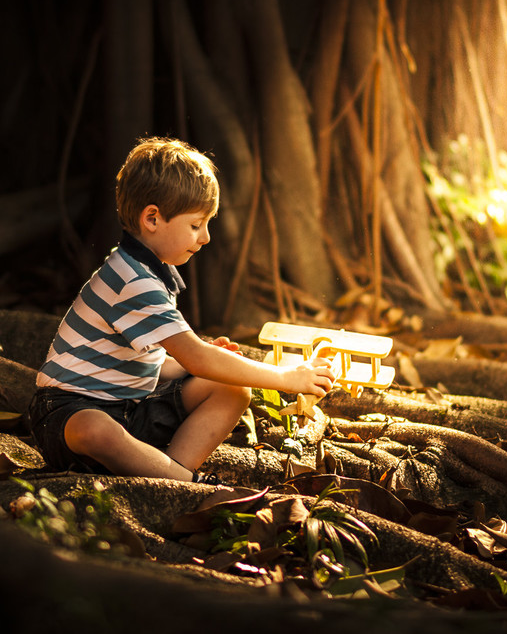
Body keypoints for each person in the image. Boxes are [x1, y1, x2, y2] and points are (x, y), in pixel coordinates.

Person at [28, 136, 336, 483]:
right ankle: (184, 481)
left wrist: (207, 365)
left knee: (231, 388)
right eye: (195, 225)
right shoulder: (131, 280)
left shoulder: (153, 273)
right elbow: (197, 358)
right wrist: (287, 378)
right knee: (96, 429)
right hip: (66, 413)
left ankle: (173, 473)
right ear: (152, 219)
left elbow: (154, 363)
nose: (205, 237)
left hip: (130, 411)